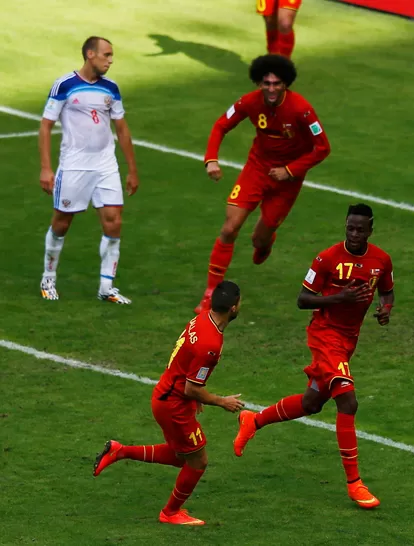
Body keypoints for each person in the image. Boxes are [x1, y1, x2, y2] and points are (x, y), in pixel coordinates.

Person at [232, 204, 393, 510]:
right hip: (324, 335)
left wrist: (385, 310)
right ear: (345, 226)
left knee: (312, 403)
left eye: (361, 229)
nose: (355, 234)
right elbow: (302, 300)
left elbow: (387, 291)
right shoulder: (327, 258)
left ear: (371, 230)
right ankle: (354, 483)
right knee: (348, 400)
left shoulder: (381, 260)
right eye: (350, 228)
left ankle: (254, 420)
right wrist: (339, 298)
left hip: (348, 341)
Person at [93, 281, 246, 526]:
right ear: (234, 308)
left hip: (170, 394)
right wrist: (221, 401)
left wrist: (194, 398)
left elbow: (187, 365)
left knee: (181, 457)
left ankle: (120, 451)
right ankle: (171, 512)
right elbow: (192, 387)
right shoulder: (211, 345)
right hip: (173, 404)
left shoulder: (203, 318)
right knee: (198, 461)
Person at [198, 54, 331, 312]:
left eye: (276, 84)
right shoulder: (249, 102)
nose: (271, 89)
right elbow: (220, 125)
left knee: (260, 239)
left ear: (286, 84)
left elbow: (323, 148)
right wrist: (211, 160)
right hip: (256, 170)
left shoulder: (302, 109)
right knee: (229, 227)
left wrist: (290, 171)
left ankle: (265, 242)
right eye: (266, 83)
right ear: (259, 82)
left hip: (287, 181)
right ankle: (210, 293)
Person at [39, 36, 139, 304]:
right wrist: (46, 168)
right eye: (106, 55)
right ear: (90, 54)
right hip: (74, 166)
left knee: (114, 221)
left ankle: (106, 287)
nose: (110, 60)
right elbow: (46, 125)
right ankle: (48, 277)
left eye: (111, 55)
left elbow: (122, 128)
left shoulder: (112, 89)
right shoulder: (64, 85)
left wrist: (132, 169)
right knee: (62, 222)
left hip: (105, 165)